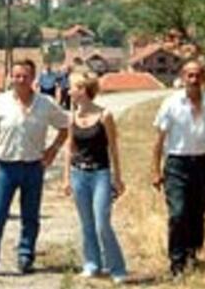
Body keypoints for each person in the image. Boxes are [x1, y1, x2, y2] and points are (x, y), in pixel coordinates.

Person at [0, 59, 69, 279]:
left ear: (33, 78)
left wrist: (53, 150)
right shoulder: (0, 103)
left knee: (30, 216)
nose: (20, 80)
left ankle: (26, 255)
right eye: (16, 76)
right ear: (11, 78)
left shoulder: (45, 104)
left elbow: (65, 126)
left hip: (33, 167)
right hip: (5, 167)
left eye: (25, 76)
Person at [151, 60, 205, 278]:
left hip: (202, 165)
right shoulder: (171, 103)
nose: (194, 80)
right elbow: (159, 140)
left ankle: (192, 252)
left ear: (204, 78)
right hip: (176, 164)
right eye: (190, 75)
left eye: (198, 75)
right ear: (183, 77)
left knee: (197, 213)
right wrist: (155, 170)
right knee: (178, 213)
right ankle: (176, 262)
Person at [62, 72, 127, 285]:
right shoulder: (71, 117)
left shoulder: (105, 116)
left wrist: (118, 178)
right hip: (78, 174)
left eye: (72, 87)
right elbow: (70, 147)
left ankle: (117, 267)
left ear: (82, 90)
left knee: (102, 223)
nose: (68, 91)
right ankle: (92, 263)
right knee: (86, 223)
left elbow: (114, 147)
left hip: (100, 174)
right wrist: (66, 178)